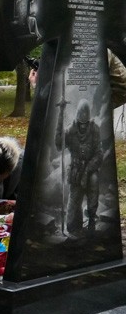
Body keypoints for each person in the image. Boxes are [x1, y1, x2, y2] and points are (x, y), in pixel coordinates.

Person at [56, 100, 101, 235]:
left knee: (93, 183)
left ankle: (92, 218)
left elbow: (99, 154)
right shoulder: (70, 130)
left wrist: (88, 170)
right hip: (76, 170)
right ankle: (76, 224)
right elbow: (59, 144)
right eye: (81, 124)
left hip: (90, 169)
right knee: (72, 220)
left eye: (85, 124)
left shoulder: (94, 129)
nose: (83, 127)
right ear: (77, 121)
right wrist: (60, 114)